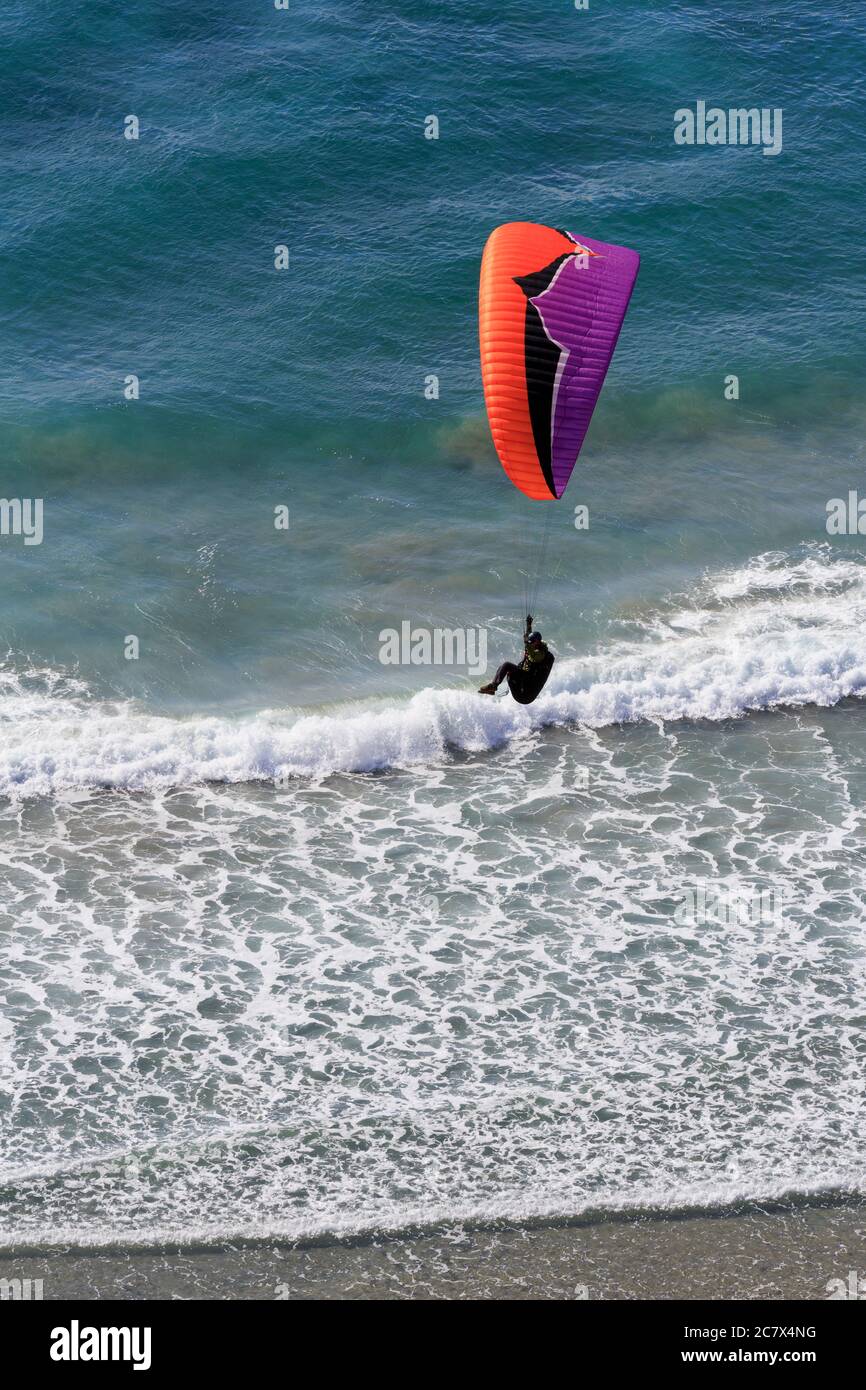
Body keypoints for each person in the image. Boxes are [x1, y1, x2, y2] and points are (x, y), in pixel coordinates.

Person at [478, 614, 554, 705]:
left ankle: (494, 686)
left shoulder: (541, 653)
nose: (530, 644)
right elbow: (529, 638)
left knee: (507, 665)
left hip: (527, 687)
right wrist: (529, 625)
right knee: (503, 668)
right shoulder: (532, 646)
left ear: (537, 642)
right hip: (522, 688)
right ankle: (493, 687)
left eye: (531, 643)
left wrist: (527, 644)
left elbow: (535, 657)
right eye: (530, 642)